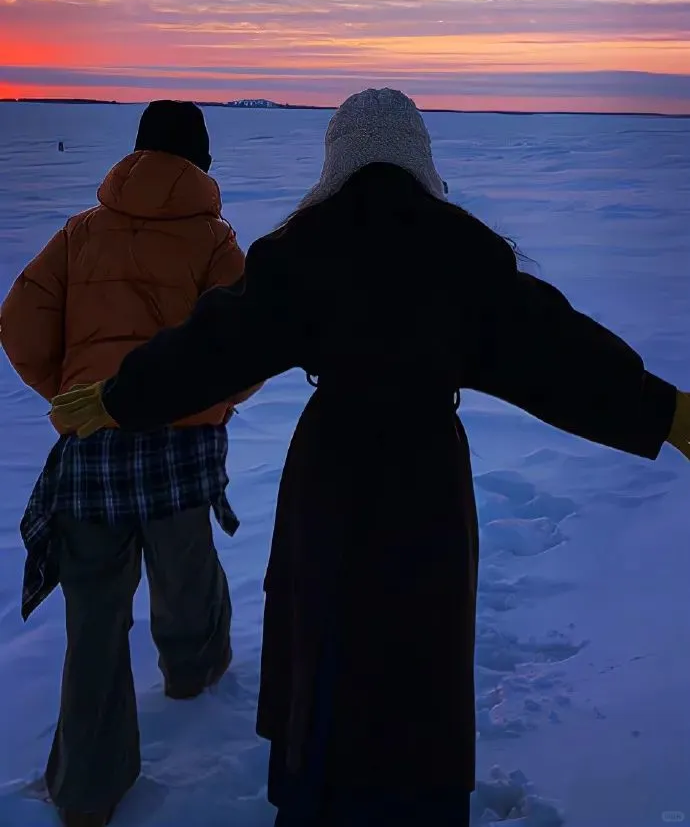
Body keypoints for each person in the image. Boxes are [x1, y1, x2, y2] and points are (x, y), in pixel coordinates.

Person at [52, 89, 690, 827]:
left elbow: (216, 344)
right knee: (421, 651)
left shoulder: (305, 251)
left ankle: (316, 792)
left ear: (338, 158)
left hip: (332, 475)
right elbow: (554, 348)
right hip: (427, 479)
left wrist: (120, 397)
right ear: (420, 157)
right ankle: (419, 799)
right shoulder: (461, 253)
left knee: (325, 641)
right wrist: (661, 409)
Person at [1, 100, 262, 827]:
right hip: (180, 449)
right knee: (187, 570)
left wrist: (76, 394)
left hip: (92, 451)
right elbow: (250, 339)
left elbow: (19, 321)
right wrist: (208, 405)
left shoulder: (81, 233)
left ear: (138, 152)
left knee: (94, 618)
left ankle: (86, 788)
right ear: (200, 162)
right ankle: (194, 672)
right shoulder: (216, 243)